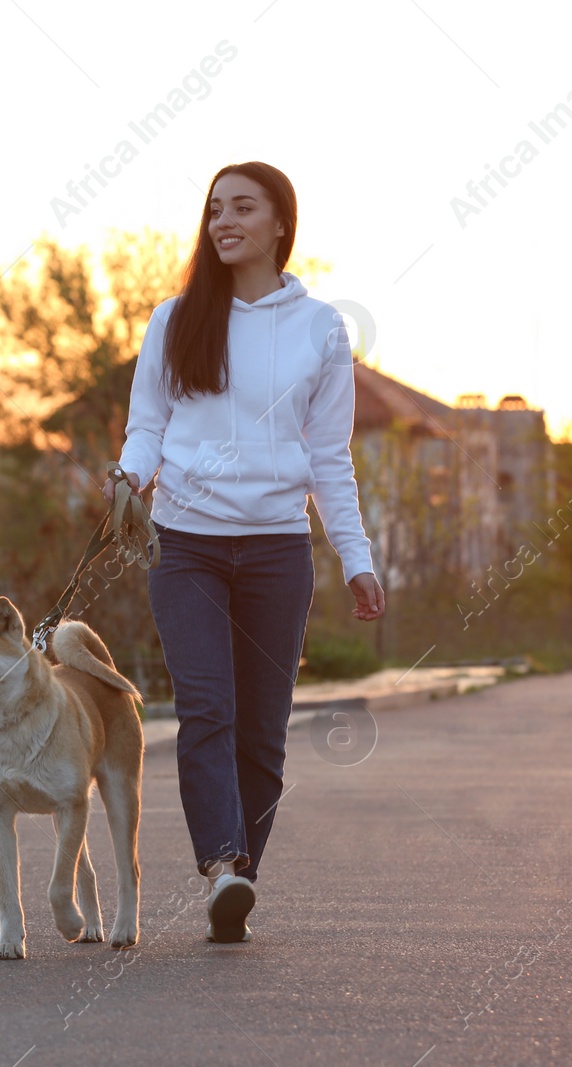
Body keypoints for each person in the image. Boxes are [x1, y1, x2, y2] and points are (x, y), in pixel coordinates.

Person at [106, 160, 385, 944]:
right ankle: (222, 867)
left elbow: (331, 456)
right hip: (186, 542)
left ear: (279, 225)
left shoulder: (321, 329)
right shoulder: (175, 319)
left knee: (263, 729)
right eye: (215, 209)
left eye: (242, 208)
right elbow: (148, 425)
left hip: (276, 550)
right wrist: (128, 481)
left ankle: (240, 882)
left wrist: (355, 555)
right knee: (207, 708)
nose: (224, 221)